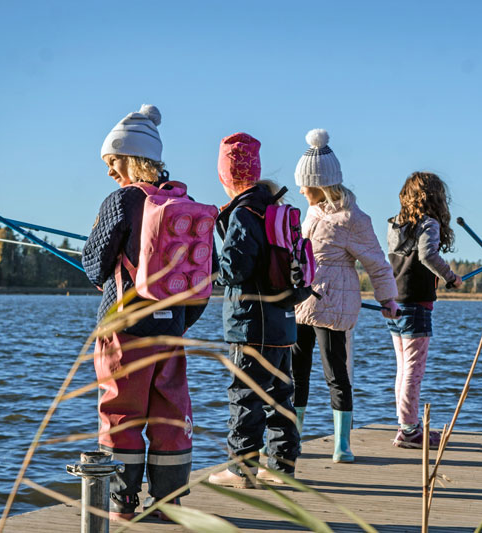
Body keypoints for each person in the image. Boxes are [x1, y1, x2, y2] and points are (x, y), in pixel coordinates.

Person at [83, 104, 211, 520]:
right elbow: (201, 277)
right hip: (170, 329)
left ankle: (121, 502)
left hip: (123, 330)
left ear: (131, 158)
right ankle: (168, 503)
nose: (109, 171)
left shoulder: (121, 200)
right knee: (170, 416)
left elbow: (94, 263)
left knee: (121, 412)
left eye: (112, 161)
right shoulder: (184, 202)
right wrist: (178, 321)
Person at [291, 129, 399, 463]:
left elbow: (377, 263)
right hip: (301, 302)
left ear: (318, 185)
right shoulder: (309, 213)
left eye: (304, 186)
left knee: (336, 372)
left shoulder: (353, 219)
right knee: (297, 372)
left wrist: (387, 300)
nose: (300, 190)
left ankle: (342, 444)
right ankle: (291, 438)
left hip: (334, 305)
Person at [207, 132, 301, 487]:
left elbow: (234, 269)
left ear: (225, 177)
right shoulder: (273, 208)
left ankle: (241, 471)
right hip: (282, 322)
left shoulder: (244, 213)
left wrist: (206, 263)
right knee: (280, 396)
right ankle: (281, 466)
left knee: (245, 396)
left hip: (250, 324)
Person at [387, 171, 462, 449]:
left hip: (396, 302)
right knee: (413, 371)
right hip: (416, 306)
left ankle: (407, 425)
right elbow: (428, 255)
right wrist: (450, 277)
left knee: (403, 369)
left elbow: (407, 263)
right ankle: (409, 430)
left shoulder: (396, 225)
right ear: (435, 197)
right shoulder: (429, 223)